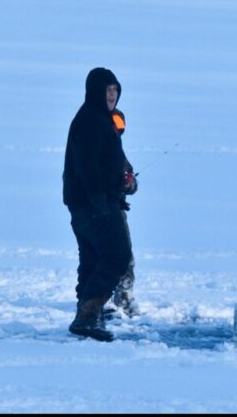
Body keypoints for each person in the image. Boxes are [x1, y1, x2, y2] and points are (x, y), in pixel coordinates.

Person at [62, 67, 134, 341]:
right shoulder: (91, 121)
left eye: (115, 90)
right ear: (96, 92)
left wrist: (125, 181)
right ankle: (87, 316)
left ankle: (89, 316)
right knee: (117, 257)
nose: (112, 95)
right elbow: (87, 167)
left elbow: (111, 162)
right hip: (94, 204)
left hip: (94, 202)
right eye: (107, 90)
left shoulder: (101, 120)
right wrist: (98, 202)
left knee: (93, 259)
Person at [107, 107, 140, 318]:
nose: (116, 131)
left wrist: (128, 184)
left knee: (126, 257)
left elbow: (132, 184)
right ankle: (103, 301)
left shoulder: (119, 154)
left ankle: (124, 299)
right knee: (103, 257)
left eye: (120, 128)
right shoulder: (89, 146)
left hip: (117, 209)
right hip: (98, 210)